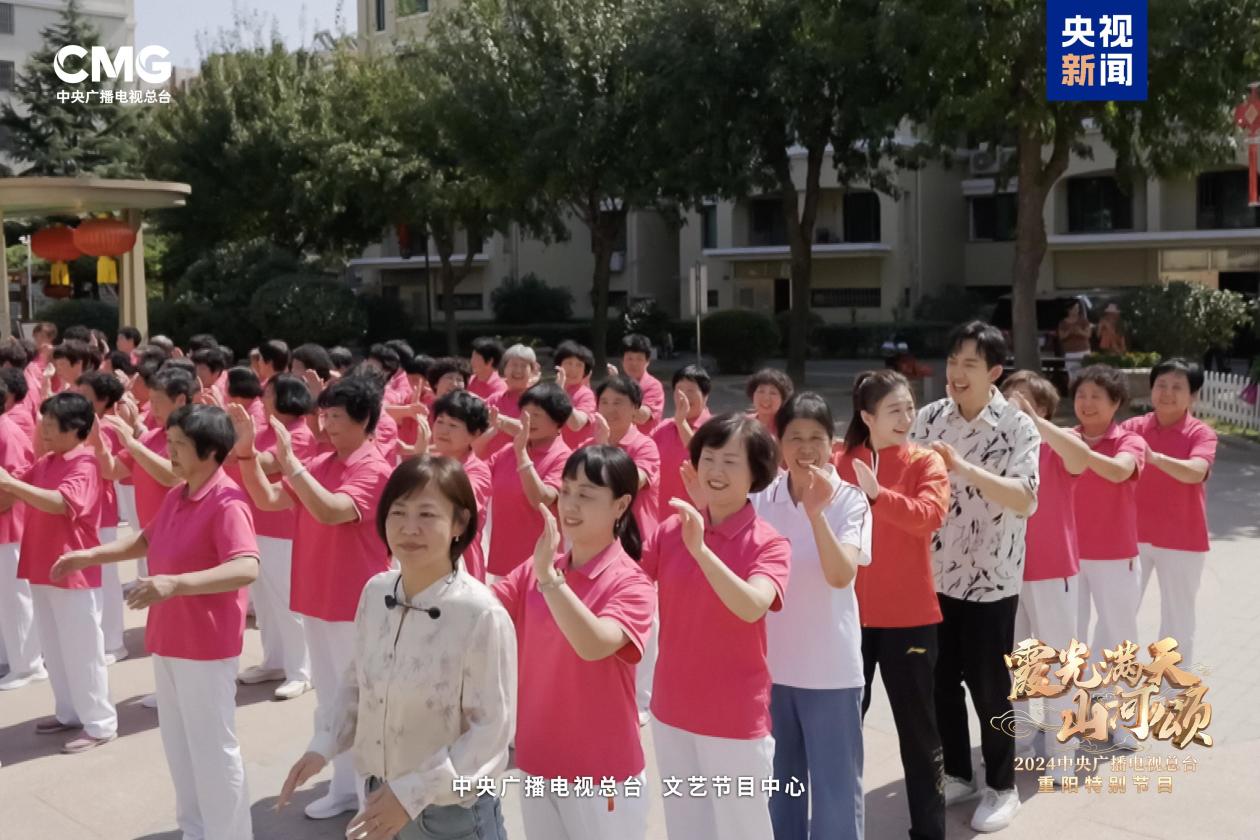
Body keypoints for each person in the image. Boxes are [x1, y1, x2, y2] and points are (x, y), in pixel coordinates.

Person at [279, 455, 515, 840]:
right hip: (380, 794)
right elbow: (356, 685)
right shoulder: (376, 593)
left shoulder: (481, 613)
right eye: (398, 512)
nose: (409, 528)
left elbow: (490, 732)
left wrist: (411, 793)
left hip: (450, 813)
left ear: (460, 523)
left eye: (427, 515)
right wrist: (323, 744)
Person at [53, 405, 260, 839]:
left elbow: (245, 566)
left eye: (180, 445)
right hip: (169, 639)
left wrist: (175, 583)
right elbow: (146, 539)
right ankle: (196, 829)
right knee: (180, 746)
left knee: (213, 748)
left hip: (205, 645)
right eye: (171, 443)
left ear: (210, 451)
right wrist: (91, 555)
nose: (171, 453)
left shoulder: (227, 501)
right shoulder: (179, 494)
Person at [232, 374, 394, 820]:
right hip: (318, 597)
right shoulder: (321, 463)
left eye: (336, 417)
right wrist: (246, 452)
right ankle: (343, 788)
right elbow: (267, 499)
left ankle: (370, 800)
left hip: (353, 603)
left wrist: (292, 464)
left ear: (364, 419)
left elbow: (332, 510)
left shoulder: (374, 467)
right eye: (325, 416)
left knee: (360, 704)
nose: (327, 425)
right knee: (330, 701)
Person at [909, 321, 1039, 833]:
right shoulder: (929, 417)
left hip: (991, 581)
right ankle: (959, 773)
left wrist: (964, 468)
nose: (957, 372)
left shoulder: (1017, 426)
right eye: (952, 361)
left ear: (995, 372)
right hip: (934, 577)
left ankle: (1003, 786)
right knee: (940, 682)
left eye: (970, 363)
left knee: (990, 688)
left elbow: (1025, 497)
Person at [494, 446, 656, 839]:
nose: (569, 504)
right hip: (538, 759)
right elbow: (484, 608)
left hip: (601, 773)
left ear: (621, 505)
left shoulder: (630, 582)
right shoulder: (537, 569)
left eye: (586, 494)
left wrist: (550, 581)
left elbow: (594, 644)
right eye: (566, 491)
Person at [642, 413, 790, 840]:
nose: (716, 471)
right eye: (708, 458)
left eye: (730, 461)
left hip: (734, 719)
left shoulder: (768, 542)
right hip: (672, 710)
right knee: (687, 829)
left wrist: (702, 551)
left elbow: (752, 606)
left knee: (743, 830)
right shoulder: (673, 529)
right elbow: (629, 581)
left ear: (755, 473)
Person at [834, 370, 949, 840]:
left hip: (910, 618)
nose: (905, 418)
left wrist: (879, 497)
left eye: (909, 407)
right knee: (841, 732)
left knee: (919, 733)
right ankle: (838, 827)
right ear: (867, 417)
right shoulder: (840, 462)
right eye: (893, 410)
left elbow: (930, 516)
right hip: (847, 619)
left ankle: (930, 831)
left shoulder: (926, 461)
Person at [753, 393, 871, 840]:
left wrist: (816, 515)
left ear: (832, 443)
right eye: (794, 438)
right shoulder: (760, 501)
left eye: (816, 438)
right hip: (771, 672)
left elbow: (840, 575)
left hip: (831, 673)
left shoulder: (850, 501)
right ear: (779, 442)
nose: (805, 449)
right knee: (780, 791)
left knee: (835, 794)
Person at [1, 392, 117, 753]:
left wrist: (12, 484)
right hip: (43, 566)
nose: (44, 431)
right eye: (44, 423)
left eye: (51, 425)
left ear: (75, 428)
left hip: (73, 570)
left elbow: (62, 503)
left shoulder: (85, 463)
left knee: (82, 649)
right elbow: (14, 490)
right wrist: (10, 485)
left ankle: (100, 722)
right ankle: (70, 711)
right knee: (55, 648)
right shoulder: (48, 461)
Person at [1000, 370, 1090, 768]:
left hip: (1053, 571)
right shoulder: (996, 448)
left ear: (1043, 410)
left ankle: (1062, 750)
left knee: (1057, 664)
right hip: (1004, 572)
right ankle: (1017, 741)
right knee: (1015, 662)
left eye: (1024, 401)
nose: (1013, 407)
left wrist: (1034, 422)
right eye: (1008, 399)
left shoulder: (1060, 443)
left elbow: (1080, 458)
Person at [1122, 359, 1217, 669]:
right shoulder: (1133, 428)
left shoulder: (1201, 434)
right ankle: (1110, 684)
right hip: (1132, 536)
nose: (1167, 393)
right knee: (1119, 613)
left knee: (1178, 622)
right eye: (1161, 385)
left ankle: (1171, 691)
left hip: (1182, 539)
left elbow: (1196, 471)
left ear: (1194, 396)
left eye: (1177, 387)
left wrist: (1156, 458)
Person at [231, 375, 317, 701]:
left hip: (285, 530)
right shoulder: (264, 430)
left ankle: (301, 670)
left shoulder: (300, 434)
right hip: (257, 524)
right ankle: (275, 661)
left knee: (287, 601)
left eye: (269, 393)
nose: (263, 398)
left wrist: (243, 446)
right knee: (265, 600)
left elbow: (268, 464)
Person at [1070, 366, 1145, 667]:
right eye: (1081, 395)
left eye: (1096, 396)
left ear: (1116, 403)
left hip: (1115, 554)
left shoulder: (1129, 441)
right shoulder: (1065, 439)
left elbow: (1119, 471)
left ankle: (1117, 696)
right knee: (1069, 635)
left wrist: (1077, 450)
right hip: (1068, 555)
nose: (1086, 403)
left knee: (1118, 636)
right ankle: (1071, 694)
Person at [484, 382, 573, 580]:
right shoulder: (508, 451)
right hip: (503, 562)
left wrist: (522, 455)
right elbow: (477, 478)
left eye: (537, 415)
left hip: (541, 566)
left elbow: (541, 499)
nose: (528, 420)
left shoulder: (564, 457)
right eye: (525, 413)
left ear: (558, 420)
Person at [76, 371, 129, 665]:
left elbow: (110, 466)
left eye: (85, 396)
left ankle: (114, 642)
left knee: (106, 577)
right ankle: (99, 639)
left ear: (103, 399)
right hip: (86, 508)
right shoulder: (83, 424)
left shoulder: (107, 427)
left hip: (102, 509)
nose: (79, 400)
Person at [0, 374, 41, 691]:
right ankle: (12, 658)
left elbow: (15, 486)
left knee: (16, 597)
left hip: (10, 526)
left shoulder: (6, 432)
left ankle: (27, 665)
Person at [425, 390, 493, 581]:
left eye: (453, 425)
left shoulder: (477, 471)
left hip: (460, 560)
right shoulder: (429, 462)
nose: (443, 430)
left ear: (475, 433)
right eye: (440, 421)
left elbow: (456, 505)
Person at [651, 365, 713, 524]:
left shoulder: (715, 429)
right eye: (679, 390)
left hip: (699, 520)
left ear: (705, 395)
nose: (684, 396)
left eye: (691, 391)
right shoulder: (664, 427)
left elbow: (702, 456)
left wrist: (681, 422)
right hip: (663, 518)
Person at [477, 344, 542, 460]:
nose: (518, 370)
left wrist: (499, 420)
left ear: (532, 371)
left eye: (523, 366)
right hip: (490, 464)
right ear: (504, 369)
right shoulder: (494, 399)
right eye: (514, 365)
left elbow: (531, 431)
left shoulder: (538, 401)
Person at [610, 334, 664, 435]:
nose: (634, 364)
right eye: (629, 358)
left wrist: (618, 390)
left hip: (646, 442)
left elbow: (642, 417)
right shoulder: (617, 384)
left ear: (647, 361)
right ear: (622, 361)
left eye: (639, 359)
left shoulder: (653, 385)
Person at [555, 340, 598, 449]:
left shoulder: (586, 395)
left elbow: (576, 424)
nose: (573, 369)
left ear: (585, 371)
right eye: (569, 363)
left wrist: (561, 394)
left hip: (577, 454)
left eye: (579, 365)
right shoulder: (548, 391)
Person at [746, 368, 794, 439]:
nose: (766, 398)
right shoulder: (743, 424)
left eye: (773, 393)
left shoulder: (789, 427)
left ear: (783, 399)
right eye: (761, 391)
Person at [1057, 299, 1093, 376]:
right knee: (1072, 375)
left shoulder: (1084, 320)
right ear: (1069, 310)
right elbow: (1061, 337)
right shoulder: (1063, 323)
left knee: (1086, 374)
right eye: (1075, 308)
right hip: (1070, 353)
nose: (1077, 310)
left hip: (1084, 351)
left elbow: (1088, 335)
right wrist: (1069, 332)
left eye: (1078, 308)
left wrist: (1080, 331)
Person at [469, 337, 508, 402]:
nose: (472, 361)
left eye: (476, 358)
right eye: (472, 357)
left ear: (490, 361)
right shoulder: (470, 380)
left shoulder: (500, 386)